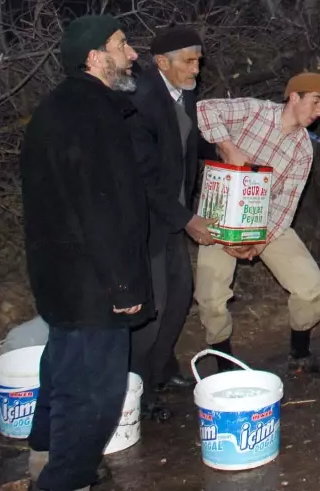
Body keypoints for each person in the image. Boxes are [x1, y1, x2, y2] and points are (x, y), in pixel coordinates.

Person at [20, 14, 152, 491]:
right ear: (95, 57)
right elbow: (102, 206)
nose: (133, 53)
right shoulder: (94, 114)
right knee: (95, 392)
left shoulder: (55, 108)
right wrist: (123, 284)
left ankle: (43, 453)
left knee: (61, 367)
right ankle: (65, 479)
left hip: (59, 276)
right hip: (93, 280)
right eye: (122, 44)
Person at [193, 72, 320, 377]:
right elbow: (204, 108)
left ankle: (300, 354)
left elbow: (286, 205)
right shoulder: (254, 111)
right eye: (315, 102)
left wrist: (257, 242)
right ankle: (224, 366)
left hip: (264, 220)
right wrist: (228, 147)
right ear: (294, 97)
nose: (319, 113)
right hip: (220, 212)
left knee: (310, 287)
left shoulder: (302, 150)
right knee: (211, 293)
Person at [126, 26, 216, 421]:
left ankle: (162, 371)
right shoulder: (140, 100)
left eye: (198, 59)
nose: (196, 68)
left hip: (174, 214)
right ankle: (135, 390)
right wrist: (187, 219)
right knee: (153, 306)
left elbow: (186, 141)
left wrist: (218, 150)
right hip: (146, 220)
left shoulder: (185, 91)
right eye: (188, 61)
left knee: (180, 295)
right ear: (162, 62)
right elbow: (140, 178)